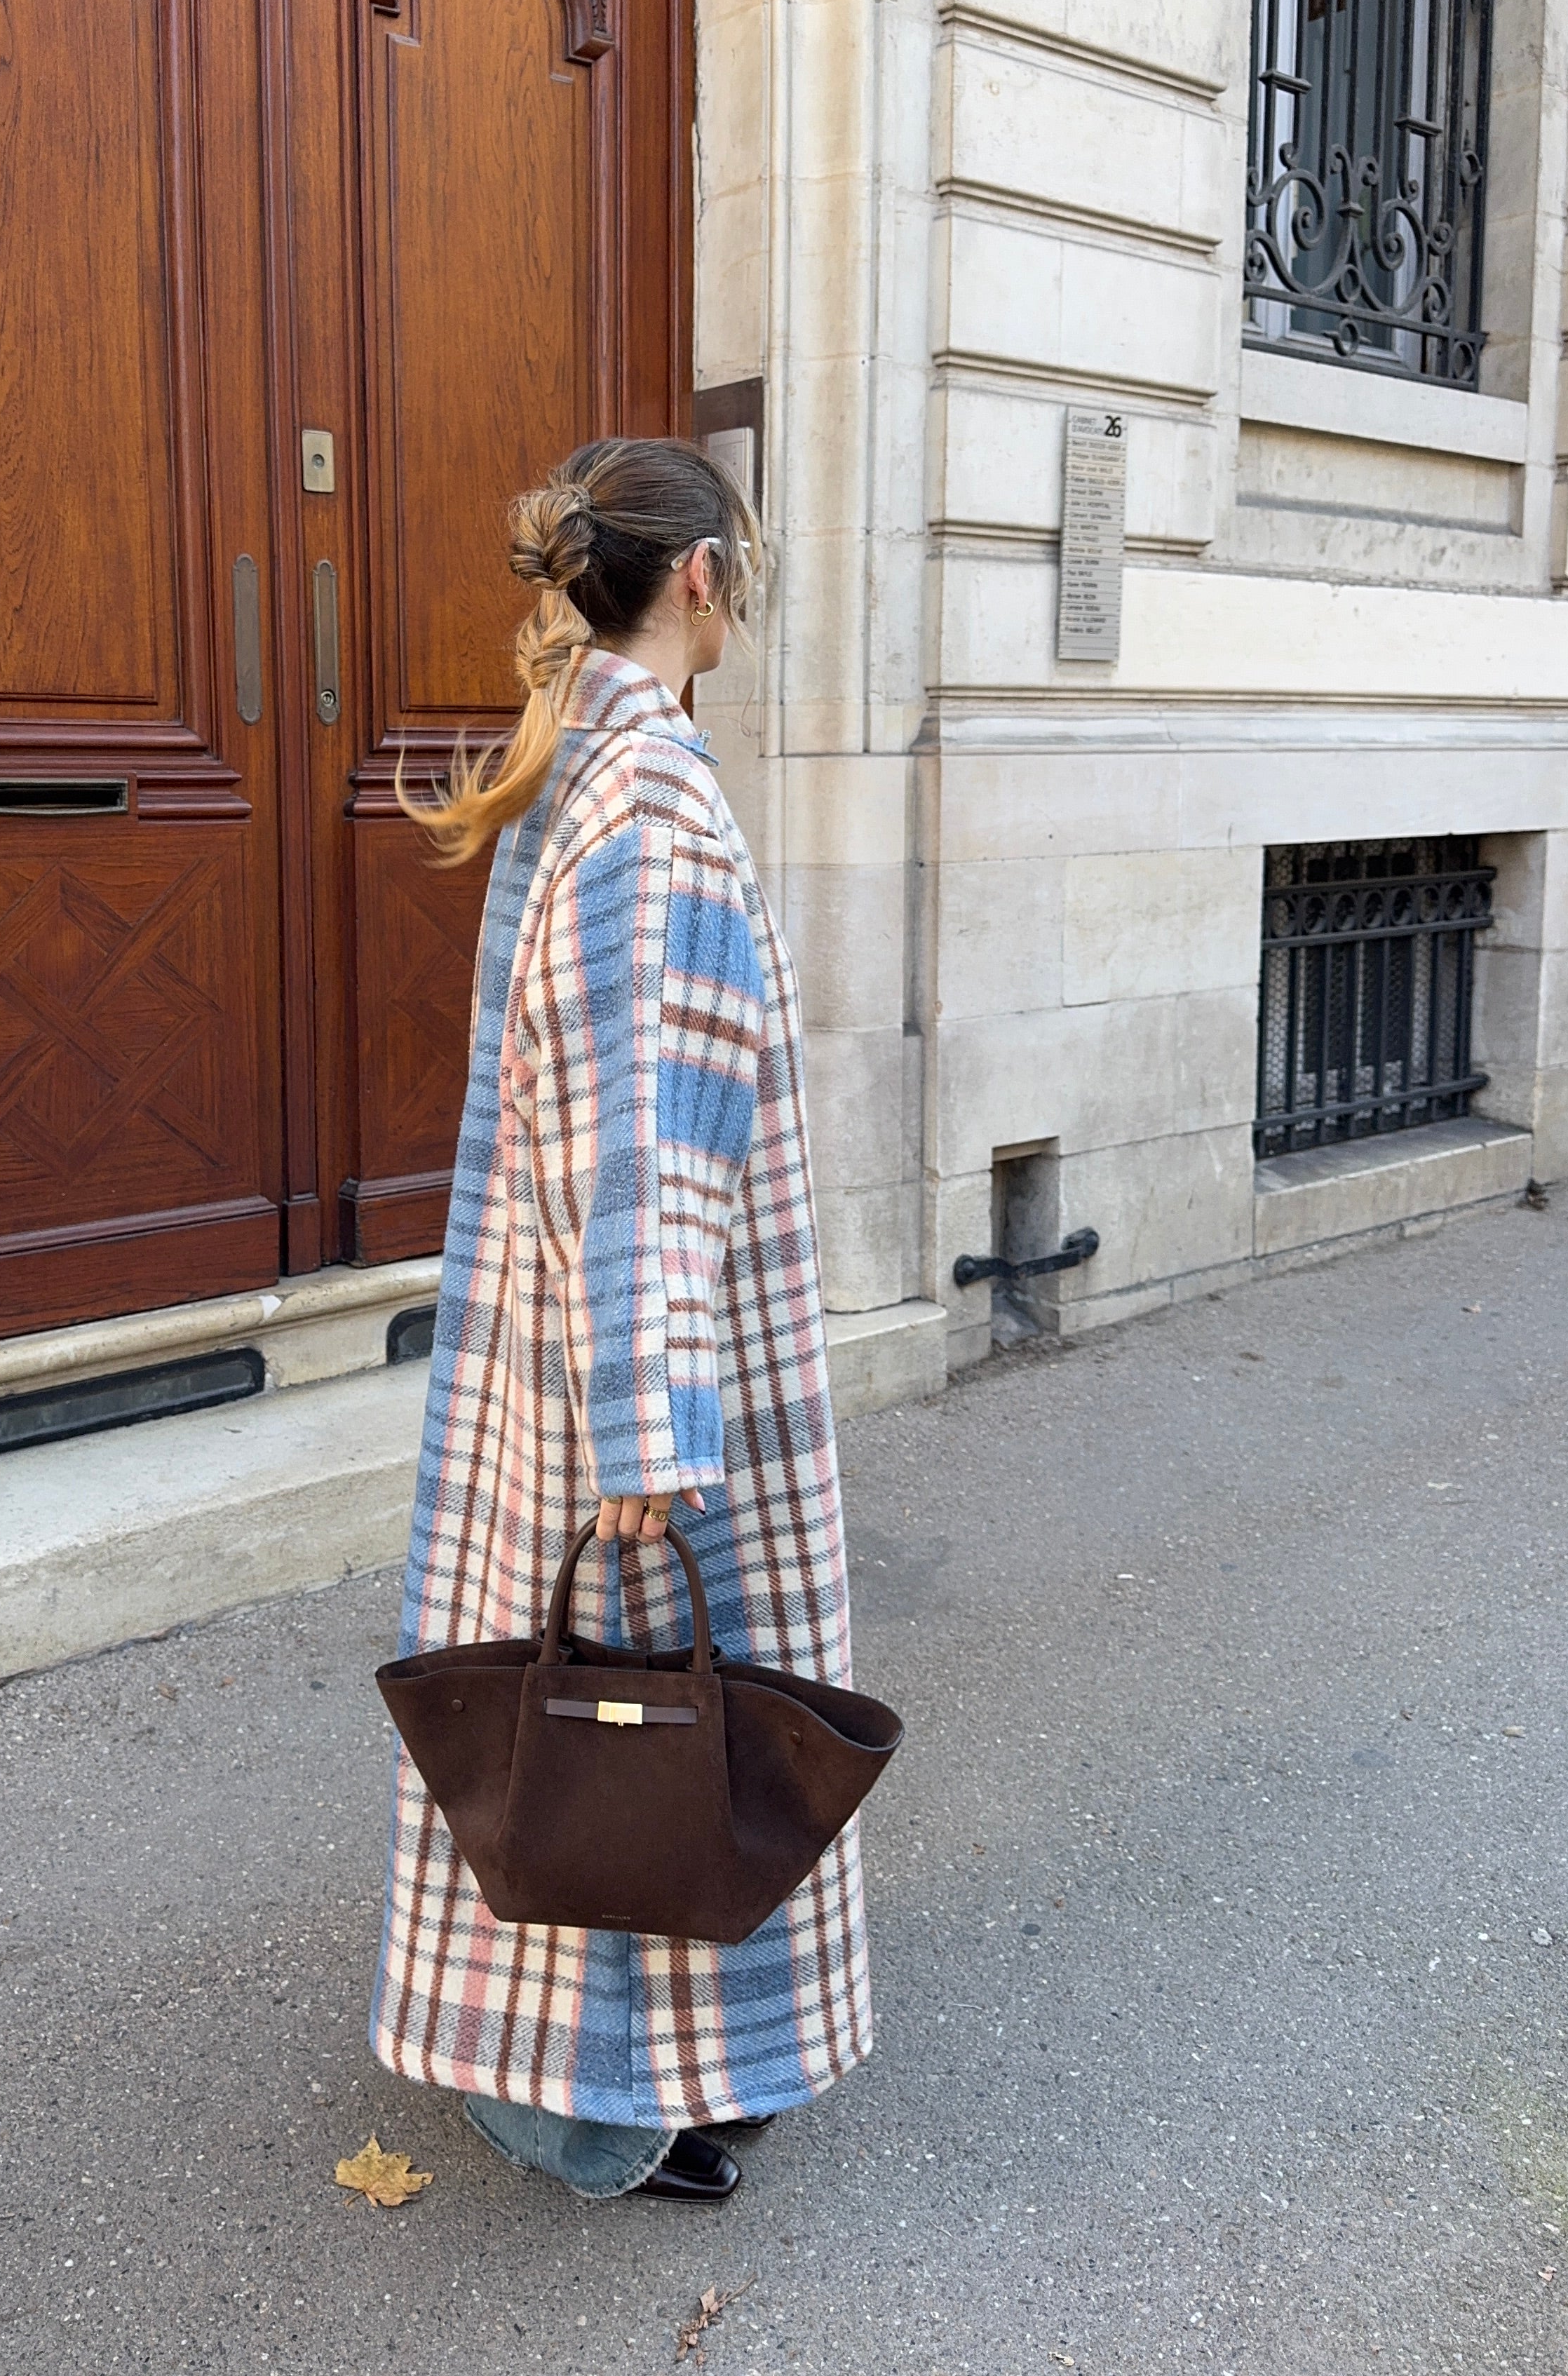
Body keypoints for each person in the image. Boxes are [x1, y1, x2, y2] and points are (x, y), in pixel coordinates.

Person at [368, 436, 870, 2206]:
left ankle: (639, 2072)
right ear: (705, 579)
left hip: (583, 1334)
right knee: (629, 1728)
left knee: (615, 1724)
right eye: (755, 572)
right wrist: (649, 1423)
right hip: (632, 1348)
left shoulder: (599, 765)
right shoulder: (646, 801)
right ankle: (578, 2100)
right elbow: (641, 1121)